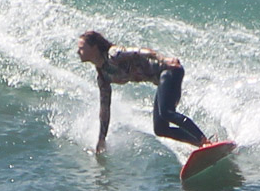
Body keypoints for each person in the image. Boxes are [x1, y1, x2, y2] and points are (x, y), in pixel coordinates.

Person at [76, 30, 209, 154]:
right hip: (162, 78)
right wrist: (102, 138)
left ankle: (204, 141)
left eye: (81, 48)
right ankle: (201, 144)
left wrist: (163, 59)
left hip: (169, 70)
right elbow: (105, 108)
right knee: (160, 129)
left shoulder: (114, 54)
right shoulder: (103, 76)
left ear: (94, 48)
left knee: (167, 113)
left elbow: (139, 52)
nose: (78, 51)